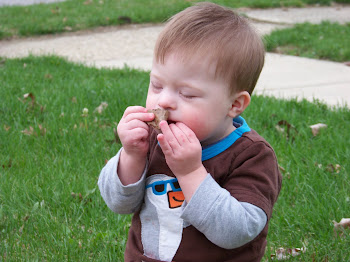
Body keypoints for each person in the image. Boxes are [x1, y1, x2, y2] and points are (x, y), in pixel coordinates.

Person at [98, 2, 282, 261]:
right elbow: (118, 204)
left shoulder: (251, 156)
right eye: (157, 85)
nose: (164, 102)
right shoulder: (151, 140)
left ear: (234, 104)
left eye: (187, 93)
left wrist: (191, 172)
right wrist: (131, 156)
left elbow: (238, 232)